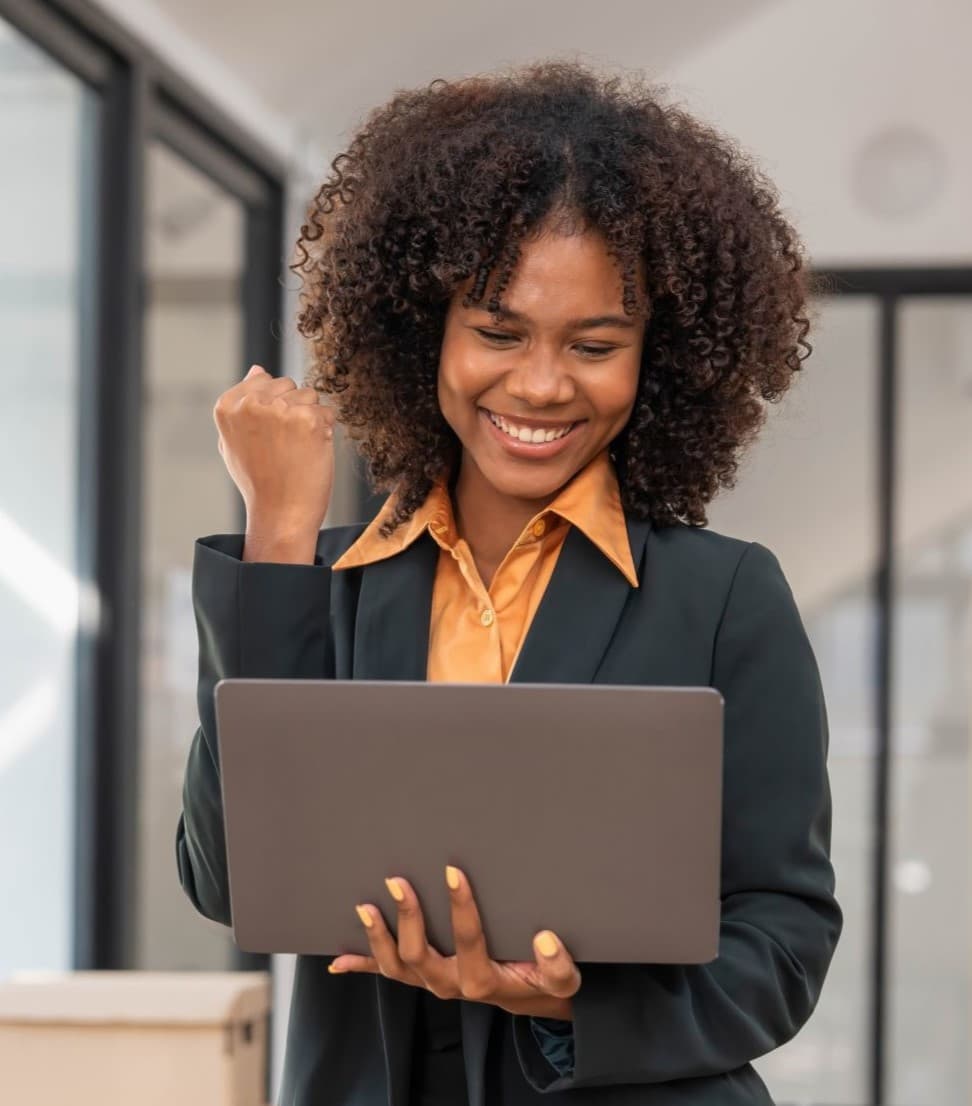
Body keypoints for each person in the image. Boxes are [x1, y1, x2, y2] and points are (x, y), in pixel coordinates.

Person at [177, 60, 842, 1106]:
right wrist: (279, 530)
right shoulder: (327, 583)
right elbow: (232, 876)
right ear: (422, 329)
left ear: (656, 361)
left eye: (595, 343)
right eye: (496, 331)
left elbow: (785, 943)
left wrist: (571, 1002)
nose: (539, 384)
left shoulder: (725, 598)